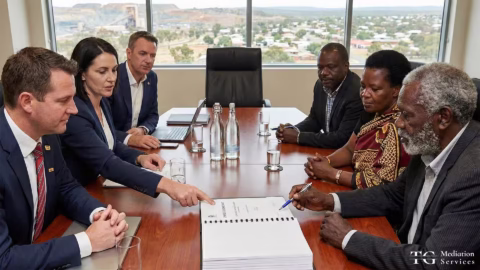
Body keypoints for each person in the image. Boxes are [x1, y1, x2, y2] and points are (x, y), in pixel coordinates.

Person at [289, 63, 480, 269]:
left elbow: (433, 263)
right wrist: (327, 200)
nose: (398, 123)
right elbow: (393, 195)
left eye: (406, 115)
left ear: (443, 117)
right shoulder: (431, 141)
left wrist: (348, 238)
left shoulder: (472, 175)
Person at [0, 47, 128, 269]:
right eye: (64, 100)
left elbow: (66, 187)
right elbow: (4, 259)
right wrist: (87, 242)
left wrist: (100, 215)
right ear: (27, 102)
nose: (74, 110)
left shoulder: (46, 134)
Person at [60, 37, 214, 207]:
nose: (111, 78)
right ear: (82, 74)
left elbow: (111, 144)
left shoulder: (101, 101)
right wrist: (169, 185)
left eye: (114, 70)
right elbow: (107, 162)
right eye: (102, 71)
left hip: (101, 187)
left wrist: (140, 157)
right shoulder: (75, 113)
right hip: (82, 195)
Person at [305, 50, 411, 189]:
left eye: (374, 89)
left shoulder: (401, 125)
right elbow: (350, 149)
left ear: (396, 90)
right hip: (356, 188)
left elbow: (380, 182)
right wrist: (324, 162)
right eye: (363, 86)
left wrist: (331, 173)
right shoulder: (372, 111)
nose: (364, 94)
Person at [276, 43, 363, 148]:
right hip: (328, 152)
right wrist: (292, 130)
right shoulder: (320, 85)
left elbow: (343, 139)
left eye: (331, 67)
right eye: (320, 67)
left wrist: (299, 137)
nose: (323, 73)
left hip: (348, 157)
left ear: (346, 66)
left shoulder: (356, 92)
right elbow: (315, 120)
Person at [109, 31, 161, 149]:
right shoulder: (113, 77)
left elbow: (153, 114)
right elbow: (102, 126)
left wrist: (142, 129)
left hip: (139, 145)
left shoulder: (151, 77)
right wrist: (130, 139)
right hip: (113, 147)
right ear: (129, 53)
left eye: (152, 55)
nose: (149, 60)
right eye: (143, 54)